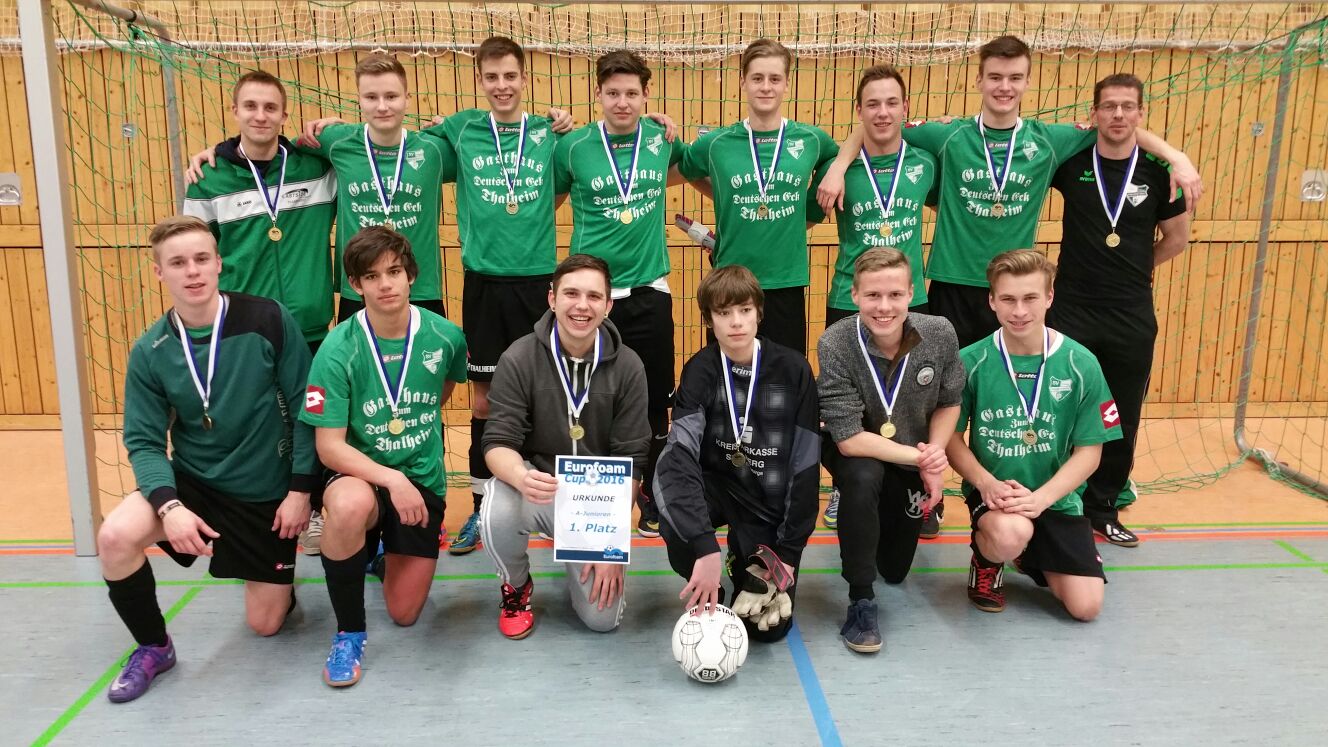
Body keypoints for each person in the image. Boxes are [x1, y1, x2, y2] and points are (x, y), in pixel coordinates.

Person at [816, 35, 1199, 537]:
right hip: (949, 289)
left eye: (1014, 77)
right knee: (927, 399)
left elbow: (1118, 126)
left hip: (1011, 297)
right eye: (995, 76)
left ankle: (1020, 496)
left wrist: (1176, 157)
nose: (1004, 86)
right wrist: (839, 164)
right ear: (979, 80)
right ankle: (924, 494)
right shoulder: (948, 136)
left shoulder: (1049, 139)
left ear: (1026, 82)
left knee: (1014, 401)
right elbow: (874, 124)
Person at [98, 215, 317, 702]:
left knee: (265, 624)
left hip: (264, 492)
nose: (192, 271)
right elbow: (144, 442)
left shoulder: (267, 320)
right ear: (159, 273)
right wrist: (170, 506)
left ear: (219, 263)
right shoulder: (151, 350)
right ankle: (154, 646)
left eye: (201, 259)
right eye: (178, 263)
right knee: (114, 537)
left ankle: (274, 580)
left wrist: (301, 490)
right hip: (194, 483)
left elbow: (308, 408)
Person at [299, 227, 467, 687]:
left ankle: (375, 552)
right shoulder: (337, 349)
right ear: (356, 285)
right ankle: (349, 633)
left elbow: (441, 392)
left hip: (422, 478)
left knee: (405, 613)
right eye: (372, 277)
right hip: (363, 477)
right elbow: (329, 446)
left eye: (394, 271)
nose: (385, 284)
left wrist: (408, 475)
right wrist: (392, 479)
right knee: (348, 505)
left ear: (411, 274)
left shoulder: (446, 337)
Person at [182, 69, 337, 554]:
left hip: (310, 323)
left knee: (314, 419)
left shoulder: (315, 167)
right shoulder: (209, 179)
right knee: (258, 423)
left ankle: (313, 511)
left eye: (271, 107)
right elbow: (195, 253)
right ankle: (255, 514)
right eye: (250, 106)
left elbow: (369, 149)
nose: (260, 116)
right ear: (234, 111)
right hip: (245, 329)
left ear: (285, 115)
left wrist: (335, 127)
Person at [552, 49, 695, 539]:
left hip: (650, 290)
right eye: (612, 92)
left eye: (632, 93)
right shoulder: (572, 147)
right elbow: (551, 200)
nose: (622, 102)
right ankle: (586, 499)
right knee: (586, 397)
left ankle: (652, 496)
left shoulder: (660, 139)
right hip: (591, 299)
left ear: (646, 94)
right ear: (598, 94)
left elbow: (682, 171)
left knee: (655, 400)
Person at [1047, 73, 1190, 547]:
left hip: (1131, 312)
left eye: (1128, 106)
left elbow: (1177, 239)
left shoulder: (1158, 172)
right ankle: (1058, 503)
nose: (1118, 115)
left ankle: (1103, 507)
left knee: (1119, 413)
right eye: (1108, 106)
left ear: (1141, 113)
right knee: (1062, 408)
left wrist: (1133, 268)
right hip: (1071, 308)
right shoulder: (1071, 162)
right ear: (1094, 113)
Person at [479, 254, 650, 639]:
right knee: (495, 510)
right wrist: (521, 477)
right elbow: (497, 442)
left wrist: (611, 542)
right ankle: (516, 586)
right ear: (552, 299)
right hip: (542, 488)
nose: (582, 305)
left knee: (601, 621)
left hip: (598, 503)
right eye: (571, 293)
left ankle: (580, 553)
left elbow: (632, 461)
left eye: (594, 296)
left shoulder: (629, 366)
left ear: (608, 305)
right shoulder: (519, 357)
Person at [946, 250, 1122, 621]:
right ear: (992, 301)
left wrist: (1041, 499)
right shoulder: (971, 361)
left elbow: (1090, 452)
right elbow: (950, 438)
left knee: (1086, 608)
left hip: (1055, 497)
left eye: (1030, 298)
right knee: (1009, 533)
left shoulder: (1080, 363)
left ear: (1049, 297)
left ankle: (1027, 553)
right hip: (997, 495)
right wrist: (986, 483)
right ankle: (988, 560)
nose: (1019, 311)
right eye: (1008, 299)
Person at [653, 265, 820, 644]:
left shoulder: (793, 370)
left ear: (759, 312)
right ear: (708, 319)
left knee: (766, 631)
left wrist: (786, 557)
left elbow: (806, 465)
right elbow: (677, 458)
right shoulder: (700, 370)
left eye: (744, 310)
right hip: (715, 489)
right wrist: (702, 546)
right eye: (723, 312)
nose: (736, 322)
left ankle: (741, 561)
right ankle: (712, 572)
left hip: (765, 502)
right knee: (674, 519)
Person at [816, 249, 964, 653]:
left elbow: (950, 402)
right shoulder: (835, 342)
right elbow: (849, 438)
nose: (884, 307)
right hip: (858, 451)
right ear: (854, 295)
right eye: (873, 295)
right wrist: (925, 460)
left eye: (895, 295)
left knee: (895, 570)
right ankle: (860, 600)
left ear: (911, 293)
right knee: (864, 477)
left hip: (911, 452)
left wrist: (933, 453)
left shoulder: (939, 333)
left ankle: (875, 519)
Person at [678, 39, 839, 356]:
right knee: (728, 380)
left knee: (786, 377)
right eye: (757, 78)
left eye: (775, 78)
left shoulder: (811, 139)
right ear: (743, 82)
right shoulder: (717, 143)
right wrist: (722, 196)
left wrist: (812, 209)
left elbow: (836, 160)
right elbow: (685, 168)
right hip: (730, 283)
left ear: (787, 84)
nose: (766, 87)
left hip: (786, 283)